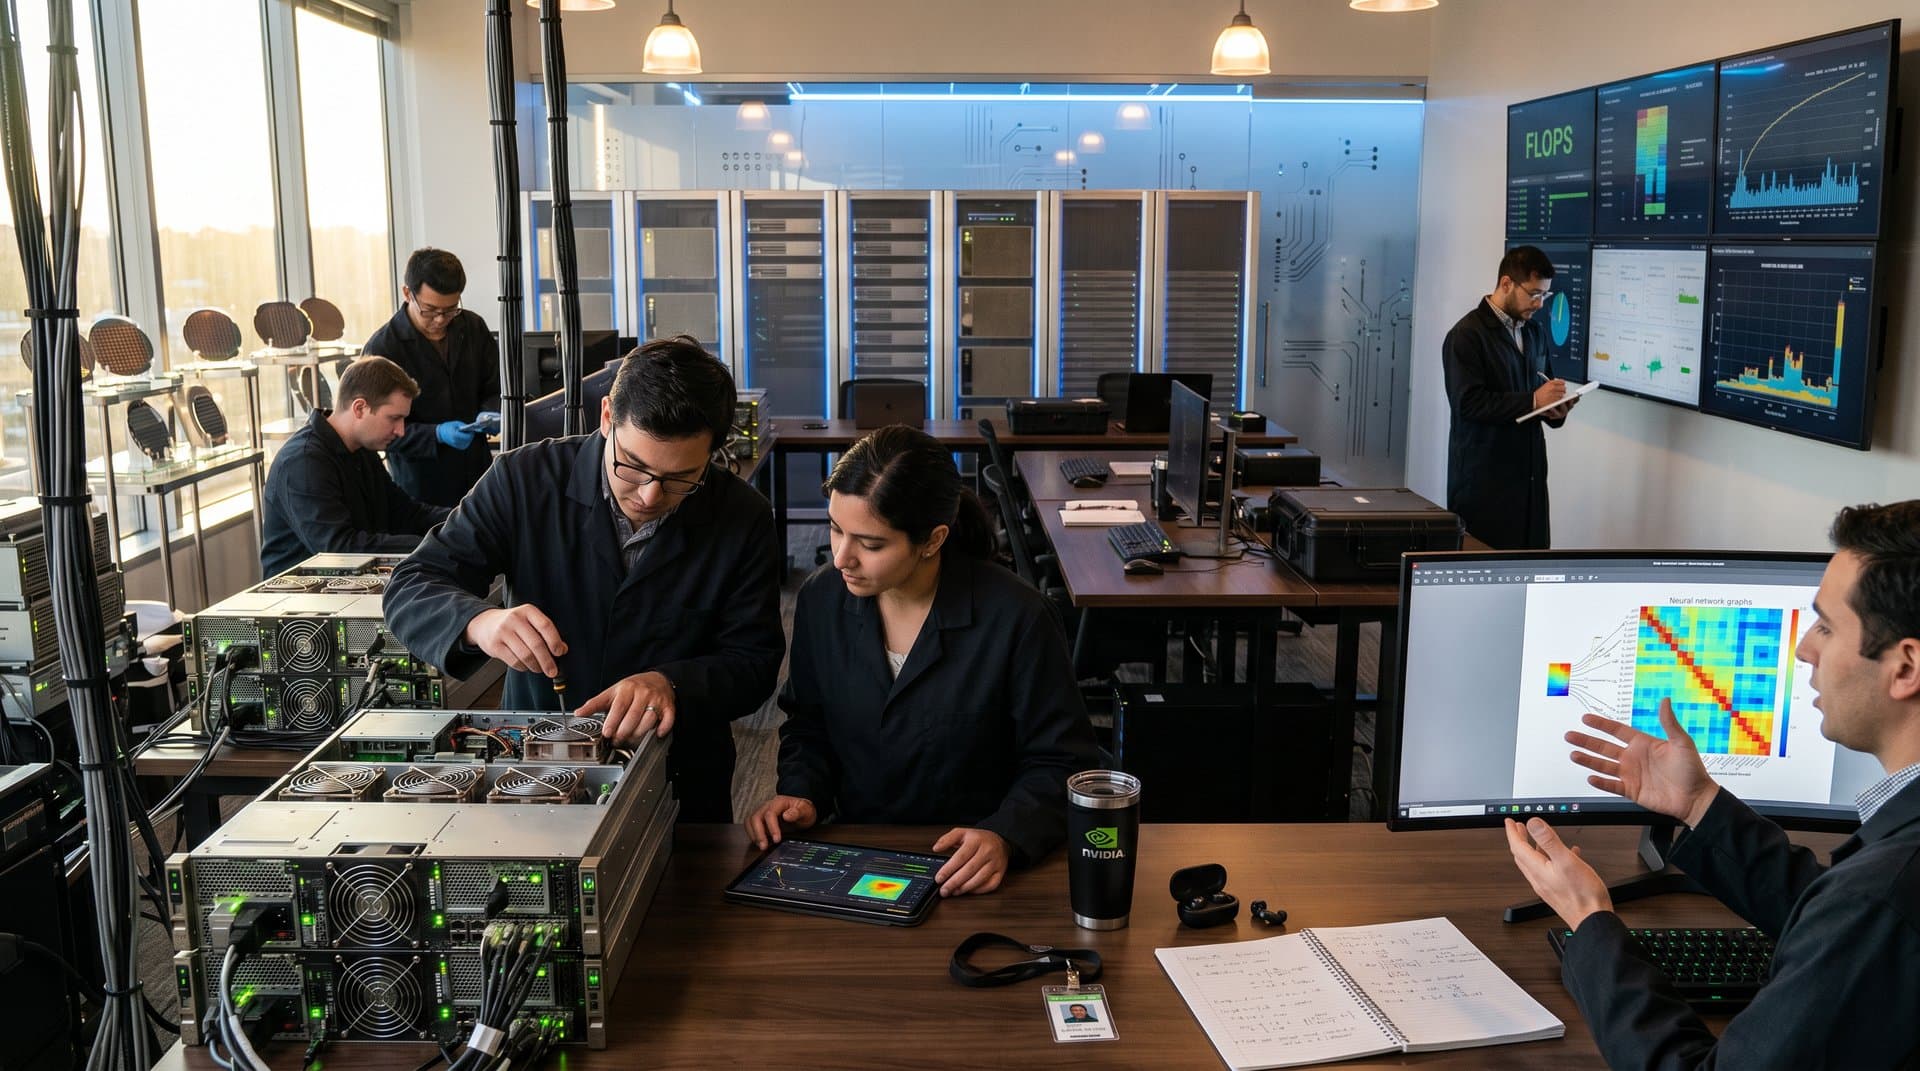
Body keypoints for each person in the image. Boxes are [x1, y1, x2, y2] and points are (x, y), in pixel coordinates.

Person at [1506, 500, 1920, 1069]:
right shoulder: (1883, 887)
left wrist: (1590, 923)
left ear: (1905, 668)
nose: (1804, 649)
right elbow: (1841, 919)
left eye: (1826, 625)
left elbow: (1862, 916)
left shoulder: (1882, 893)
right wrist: (1699, 804)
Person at [384, 337, 783, 822]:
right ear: (606, 416)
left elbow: (755, 662)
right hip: (532, 776)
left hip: (681, 776)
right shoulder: (524, 479)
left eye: (681, 477)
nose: (651, 495)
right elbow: (412, 583)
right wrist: (479, 621)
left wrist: (671, 684)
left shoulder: (743, 516)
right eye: (633, 466)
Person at [745, 425, 1100, 897]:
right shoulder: (821, 599)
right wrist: (801, 792)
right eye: (835, 529)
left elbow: (1063, 760)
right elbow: (809, 723)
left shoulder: (1016, 616)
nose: (842, 557)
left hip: (969, 863)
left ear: (932, 540)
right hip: (858, 852)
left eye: (870, 544)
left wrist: (1008, 834)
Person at [1441, 245, 1581, 549]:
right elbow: (1467, 403)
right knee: (1484, 577)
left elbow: (1542, 390)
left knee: (1532, 575)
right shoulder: (1466, 335)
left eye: (1545, 296)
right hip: (1484, 485)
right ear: (1506, 284)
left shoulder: (1534, 333)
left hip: (1529, 482)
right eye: (1534, 294)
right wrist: (1533, 401)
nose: (1540, 304)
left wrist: (1555, 409)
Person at [259, 356, 450, 577]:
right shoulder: (303, 463)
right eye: (394, 418)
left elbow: (405, 513)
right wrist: (432, 543)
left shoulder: (361, 450)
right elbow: (339, 548)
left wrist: (464, 519)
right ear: (359, 408)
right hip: (299, 601)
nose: (401, 431)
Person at [364, 247, 501, 508]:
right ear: (407, 293)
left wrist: (492, 413)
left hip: (478, 473)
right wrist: (436, 434)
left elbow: (495, 388)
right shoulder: (383, 348)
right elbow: (375, 430)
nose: (440, 319)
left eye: (450, 310)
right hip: (421, 485)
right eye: (430, 310)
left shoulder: (472, 328)